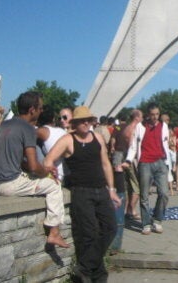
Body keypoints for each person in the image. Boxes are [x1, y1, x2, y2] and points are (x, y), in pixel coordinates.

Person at [43, 106, 121, 282]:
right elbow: (48, 160)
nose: (86, 123)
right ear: (75, 123)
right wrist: (52, 173)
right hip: (81, 192)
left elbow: (106, 164)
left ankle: (84, 268)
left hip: (101, 190)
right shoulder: (67, 140)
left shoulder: (98, 138)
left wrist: (112, 190)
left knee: (110, 228)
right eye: (82, 120)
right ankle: (97, 276)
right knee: (89, 234)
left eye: (89, 120)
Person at [0, 91, 69, 248]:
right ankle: (54, 233)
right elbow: (33, 166)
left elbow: (20, 161)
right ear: (32, 110)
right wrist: (48, 172)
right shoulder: (28, 128)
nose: (42, 111)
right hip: (8, 184)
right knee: (54, 186)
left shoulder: (5, 124)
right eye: (40, 107)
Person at [125, 103, 172, 235]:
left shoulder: (164, 126)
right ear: (148, 115)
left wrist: (168, 163)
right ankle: (146, 223)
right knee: (144, 195)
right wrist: (129, 159)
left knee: (164, 193)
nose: (155, 117)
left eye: (157, 114)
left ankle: (157, 220)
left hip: (160, 161)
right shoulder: (140, 127)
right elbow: (134, 145)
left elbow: (166, 144)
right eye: (153, 114)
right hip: (145, 162)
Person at [118, 109, 142, 220]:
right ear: (136, 117)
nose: (142, 118)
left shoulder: (126, 128)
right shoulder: (133, 129)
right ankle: (131, 210)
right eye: (141, 116)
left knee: (129, 187)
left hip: (124, 158)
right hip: (131, 160)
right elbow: (133, 147)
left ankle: (127, 209)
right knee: (137, 187)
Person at [36, 108, 67, 181]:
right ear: (53, 119)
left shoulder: (42, 131)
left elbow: (24, 135)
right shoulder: (62, 131)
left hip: (54, 174)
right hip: (64, 172)